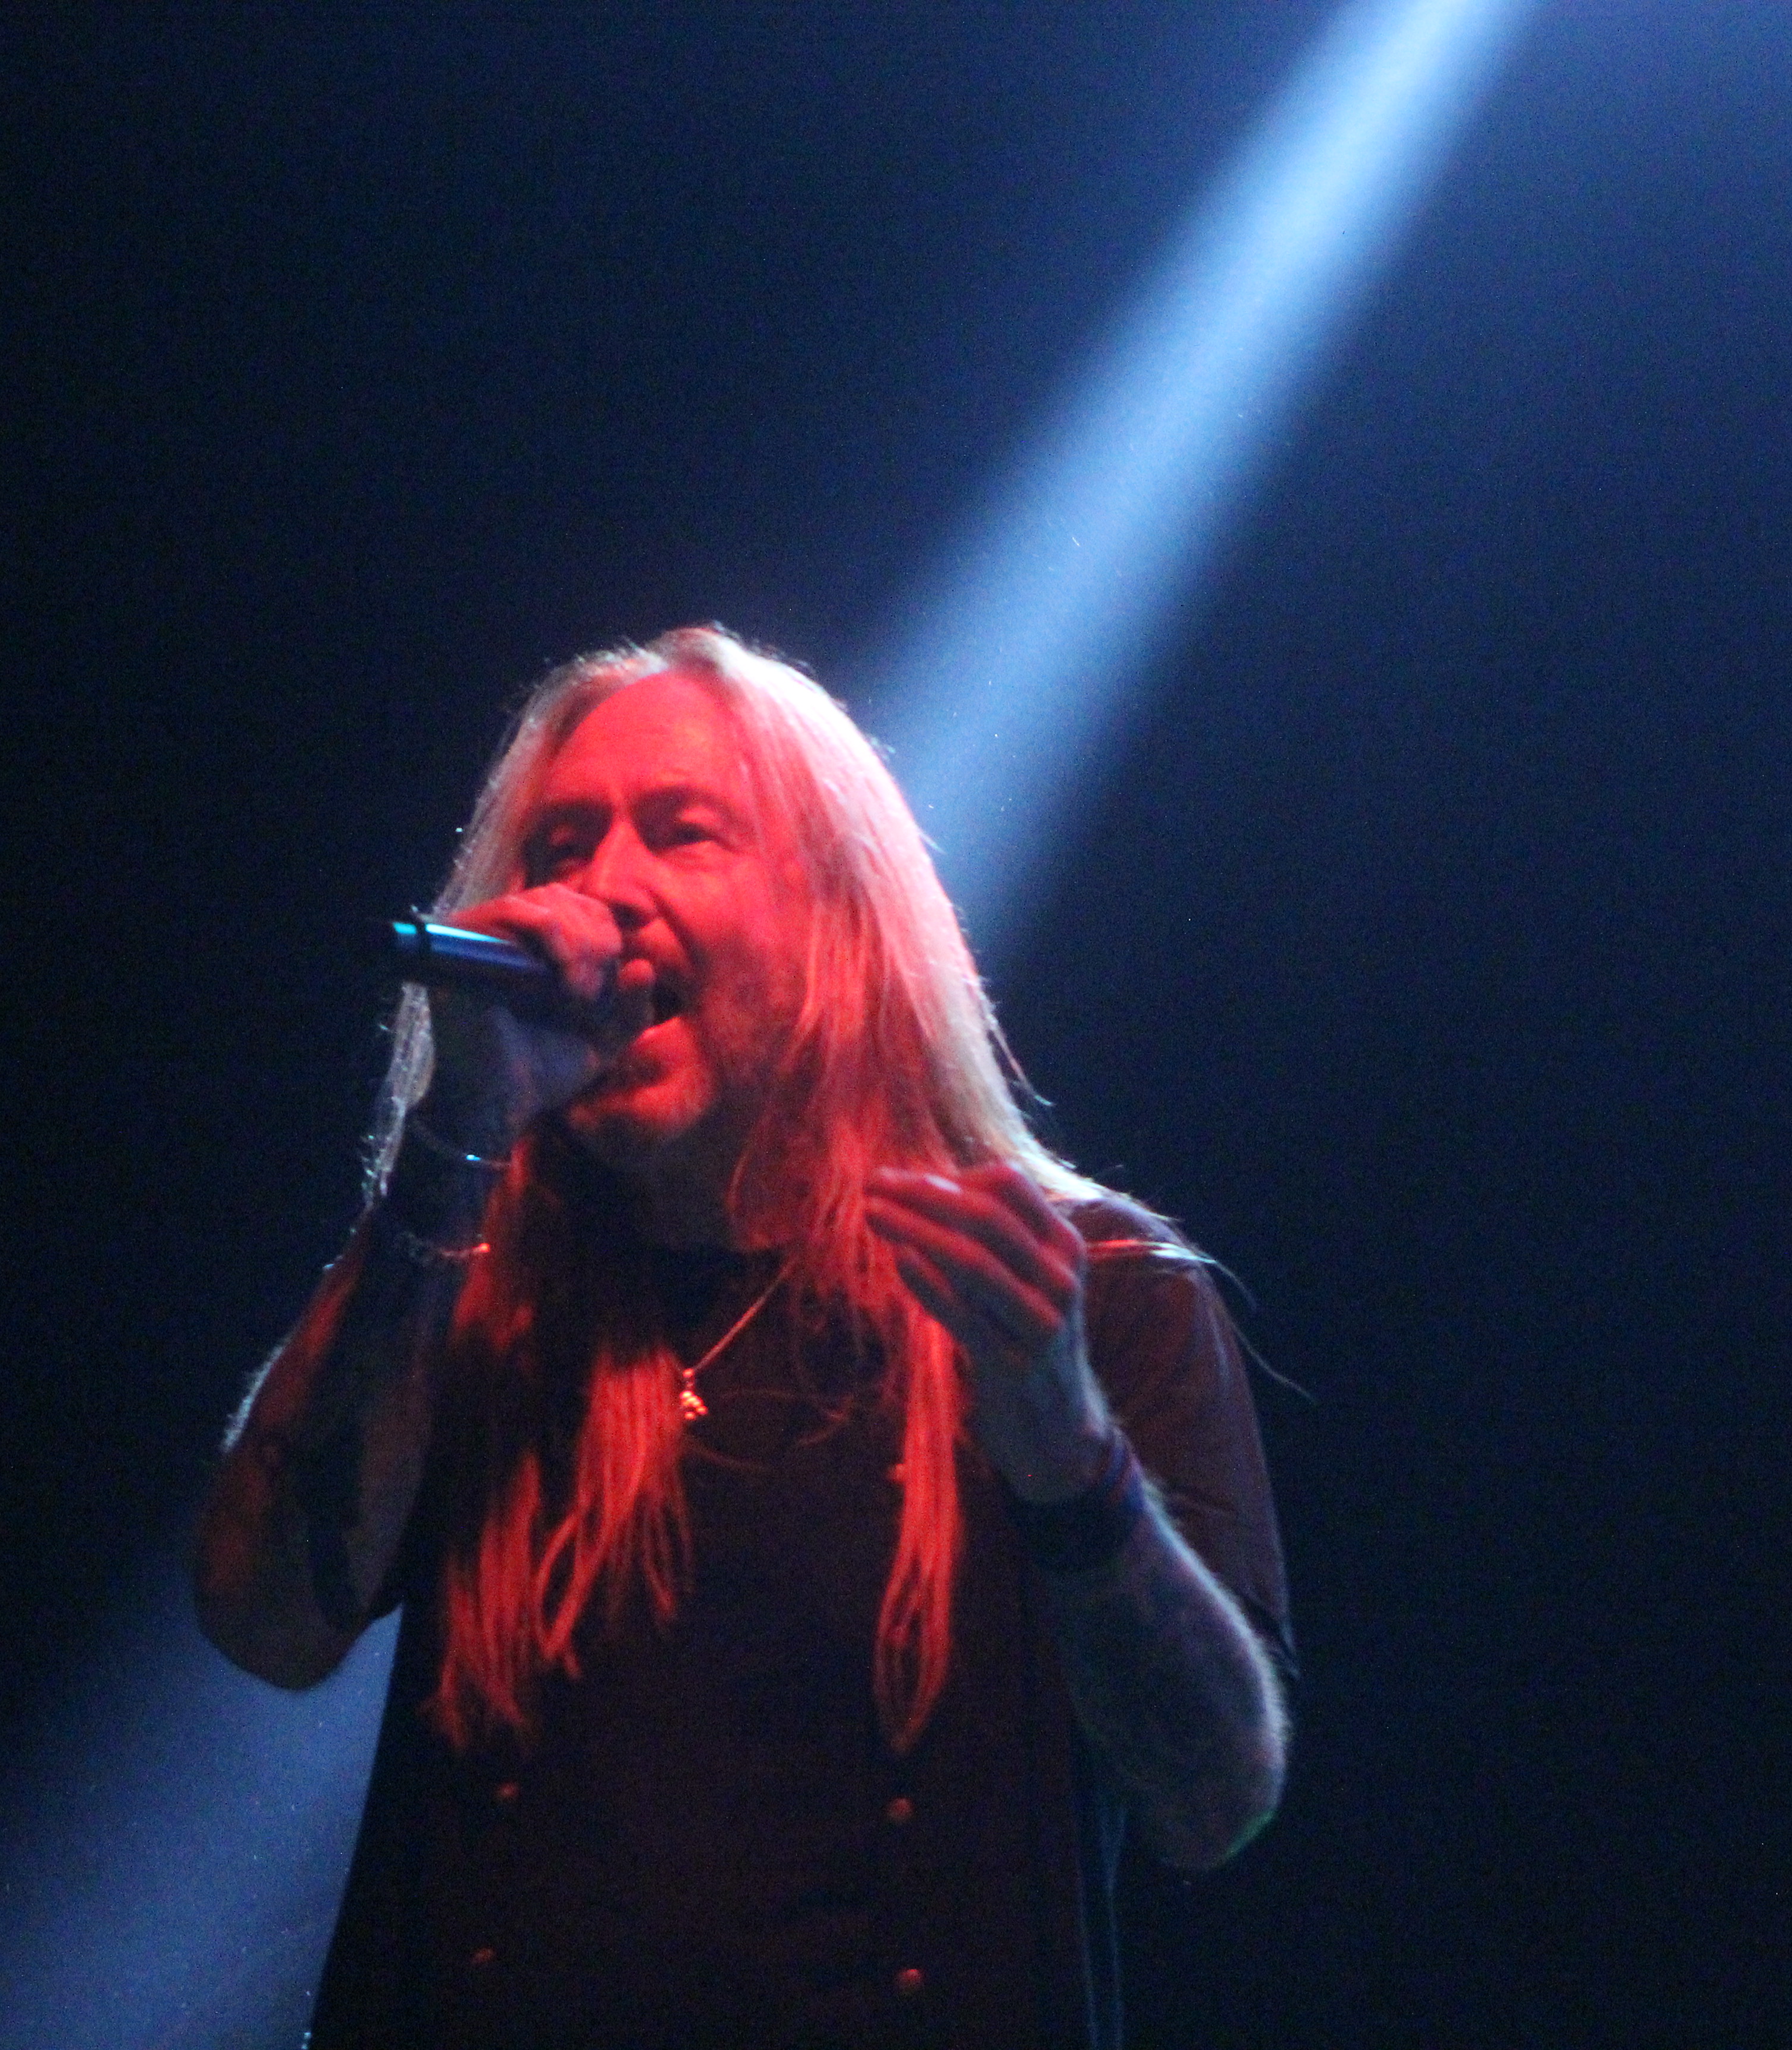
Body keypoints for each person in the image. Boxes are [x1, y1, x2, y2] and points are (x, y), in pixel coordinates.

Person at [196, 626, 1289, 2048]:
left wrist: (1073, 1466)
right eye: (562, 846)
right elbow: (265, 1621)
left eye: (680, 833)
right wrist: (456, 1134)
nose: (601, 891)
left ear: (837, 914)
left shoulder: (1086, 1291)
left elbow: (1214, 1801)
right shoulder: (478, 1286)